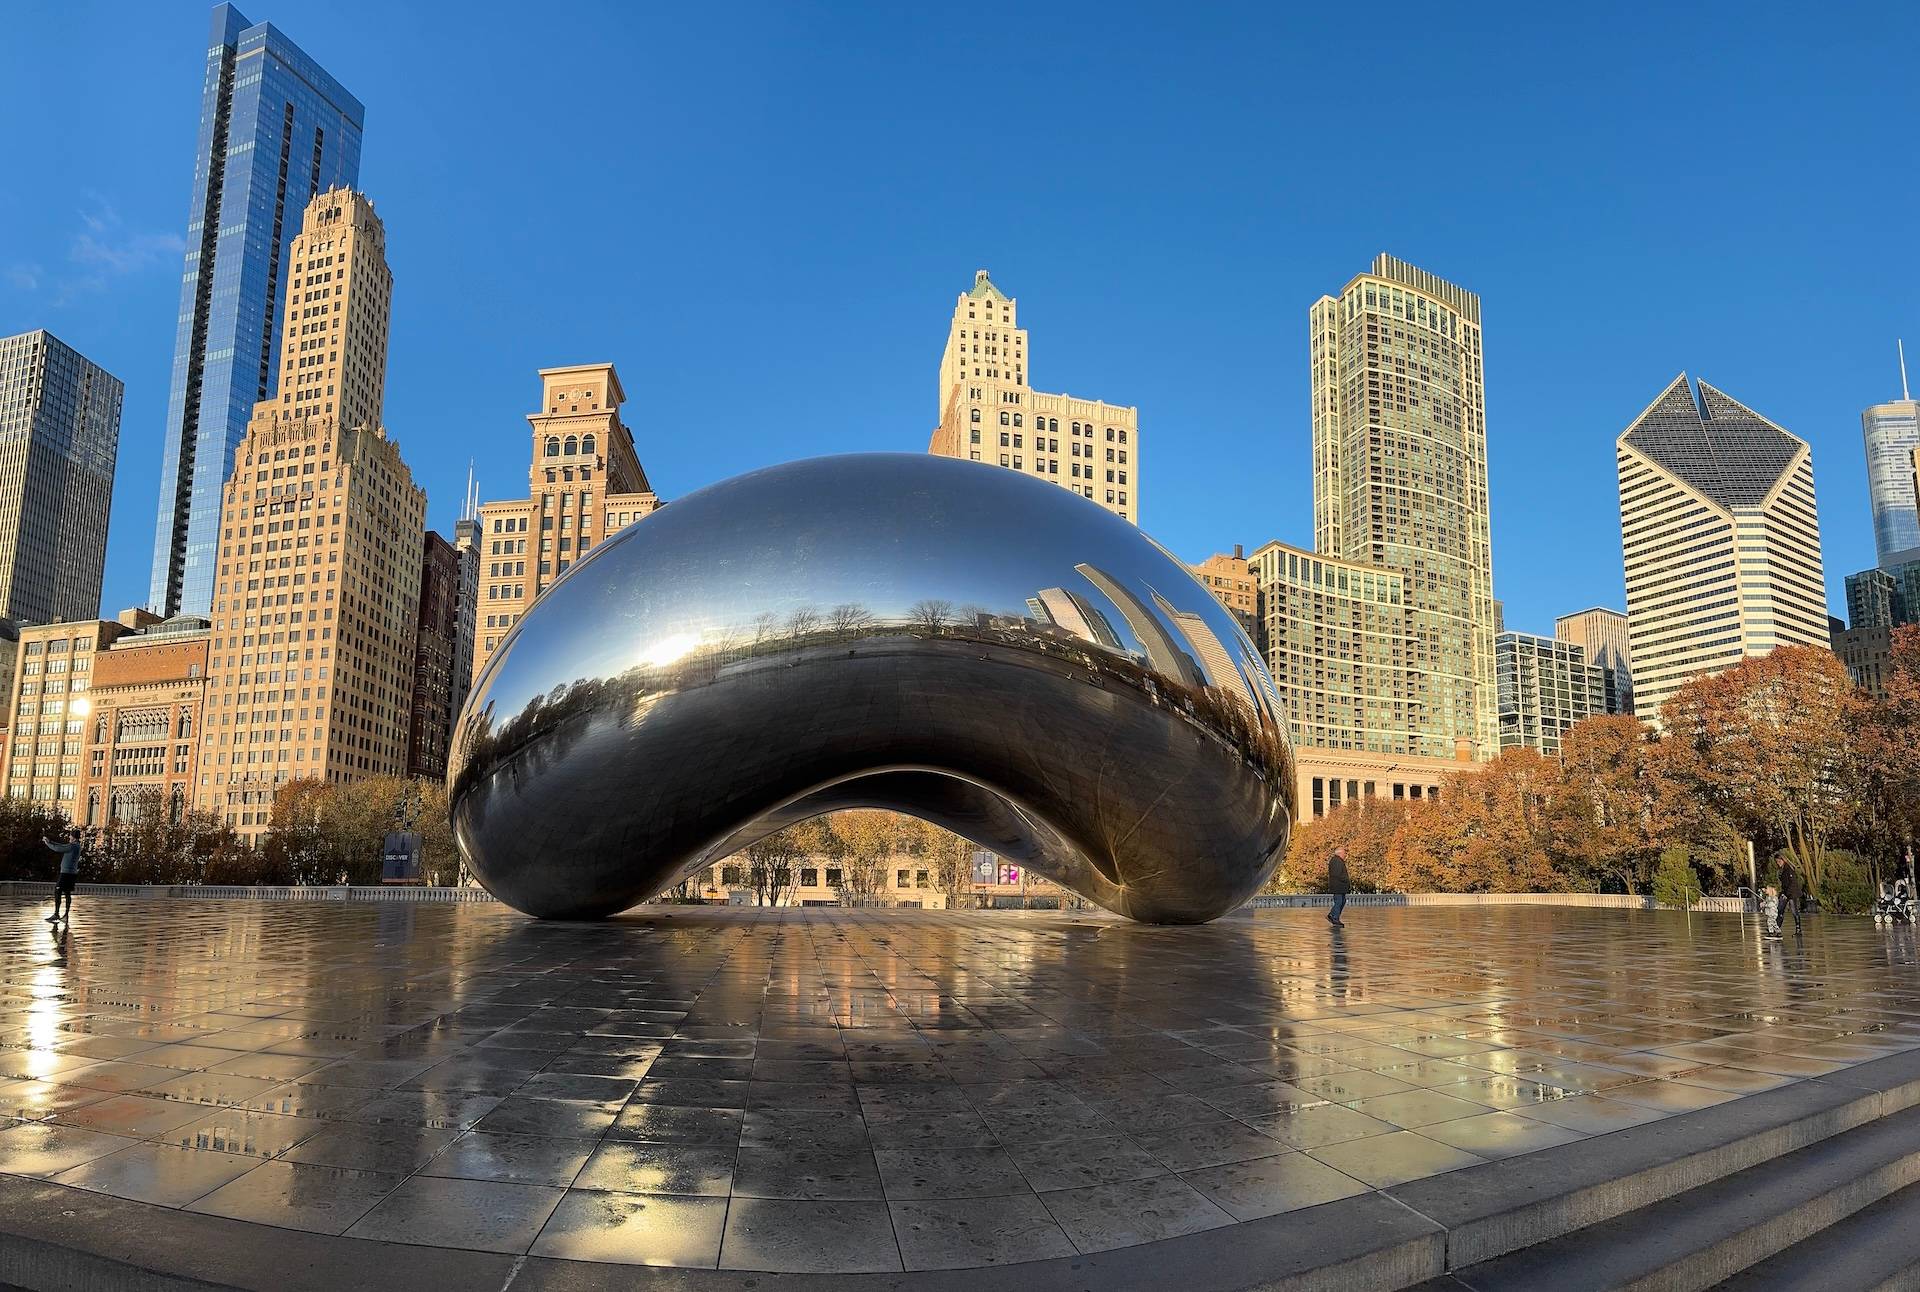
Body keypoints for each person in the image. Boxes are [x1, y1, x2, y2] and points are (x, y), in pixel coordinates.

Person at [43, 829, 81, 923]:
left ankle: (56, 914)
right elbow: (63, 846)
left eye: (70, 836)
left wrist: (47, 843)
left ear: (73, 837)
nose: (69, 837)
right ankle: (65, 915)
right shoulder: (76, 846)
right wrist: (50, 841)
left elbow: (58, 848)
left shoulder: (72, 846)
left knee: (58, 890)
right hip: (72, 873)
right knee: (67, 893)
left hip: (66, 873)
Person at [1326, 845, 1351, 928]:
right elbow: (1337, 874)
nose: (1345, 855)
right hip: (1338, 886)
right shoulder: (1336, 861)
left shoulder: (1337, 860)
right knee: (1339, 902)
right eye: (1344, 853)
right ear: (1339, 853)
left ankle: (1332, 915)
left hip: (1340, 886)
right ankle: (1334, 918)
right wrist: (1346, 880)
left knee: (1342, 901)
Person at [1779, 859, 1804, 931]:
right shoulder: (1783, 870)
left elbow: (1792, 883)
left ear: (1783, 860)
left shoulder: (1789, 869)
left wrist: (1787, 893)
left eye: (1779, 861)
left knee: (1794, 910)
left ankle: (1798, 928)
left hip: (1791, 893)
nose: (1778, 863)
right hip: (1786, 892)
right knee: (1780, 910)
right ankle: (1777, 927)